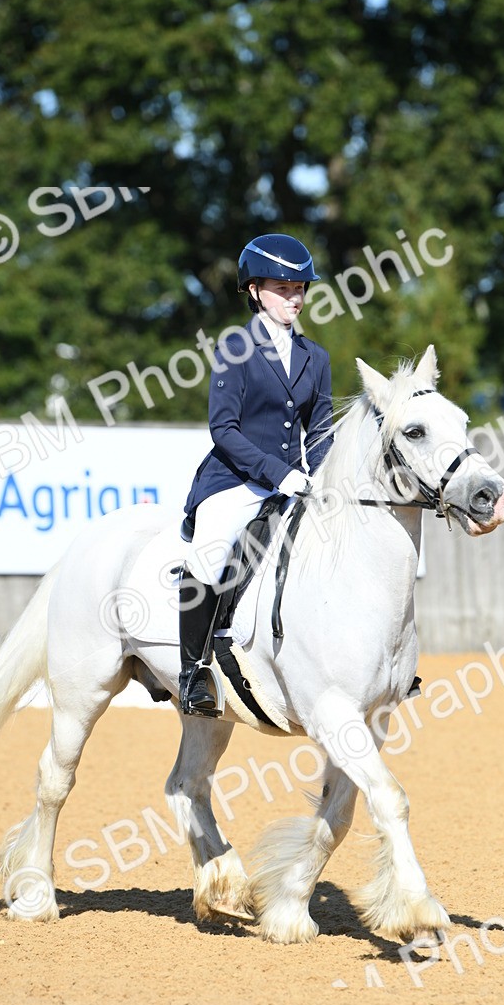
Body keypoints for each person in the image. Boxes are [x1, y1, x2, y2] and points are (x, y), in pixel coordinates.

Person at [178, 232, 334, 716]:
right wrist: (276, 472)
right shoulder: (235, 347)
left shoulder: (316, 357)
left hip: (293, 482)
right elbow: (222, 428)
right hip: (234, 480)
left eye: (300, 288)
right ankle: (194, 672)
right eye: (283, 288)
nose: (295, 297)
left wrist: (325, 477)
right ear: (254, 290)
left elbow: (322, 429)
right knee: (211, 553)